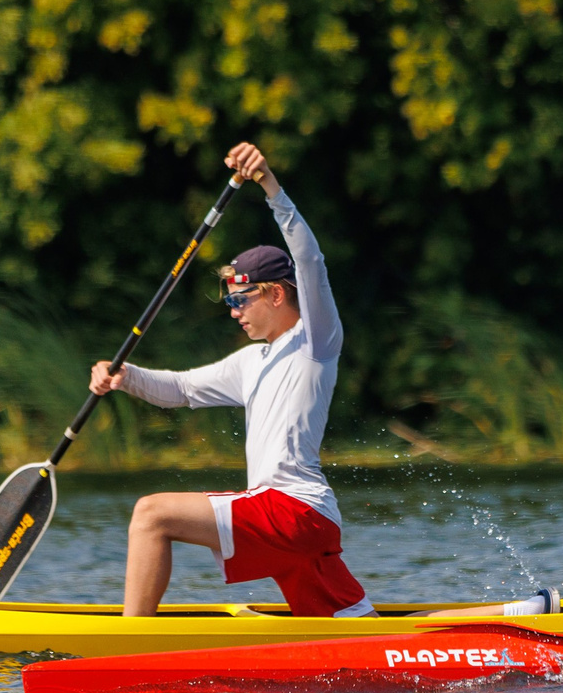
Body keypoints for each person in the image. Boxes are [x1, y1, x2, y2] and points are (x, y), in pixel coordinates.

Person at [91, 142, 374, 618]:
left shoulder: (316, 341)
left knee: (150, 514)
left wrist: (269, 185)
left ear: (278, 294)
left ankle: (127, 642)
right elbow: (179, 390)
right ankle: (530, 610)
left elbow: (311, 263)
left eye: (241, 300)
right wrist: (123, 376)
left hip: (292, 511)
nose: (234, 311)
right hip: (302, 525)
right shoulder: (250, 363)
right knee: (366, 632)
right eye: (229, 303)